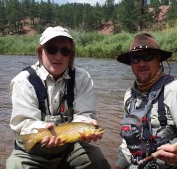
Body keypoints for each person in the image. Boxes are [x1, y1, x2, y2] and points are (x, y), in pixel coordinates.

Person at [6, 26, 110, 169]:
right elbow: (23, 123)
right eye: (52, 49)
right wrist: (45, 131)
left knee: (96, 160)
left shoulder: (82, 78)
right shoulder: (23, 81)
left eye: (65, 51)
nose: (59, 56)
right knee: (15, 166)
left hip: (68, 149)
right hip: (31, 153)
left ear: (71, 55)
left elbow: (84, 115)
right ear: (40, 51)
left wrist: (87, 127)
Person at [112, 33, 177, 169]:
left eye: (147, 56)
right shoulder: (129, 96)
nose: (141, 63)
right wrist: (118, 166)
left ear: (159, 59)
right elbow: (128, 143)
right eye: (135, 58)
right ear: (131, 64)